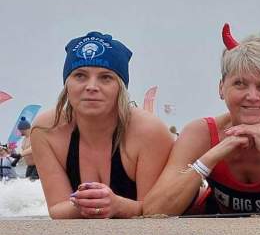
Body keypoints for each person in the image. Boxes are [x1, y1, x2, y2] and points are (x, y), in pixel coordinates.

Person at [143, 25, 260, 216]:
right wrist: (212, 156)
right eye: (240, 84)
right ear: (221, 88)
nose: (252, 96)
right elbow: (154, 210)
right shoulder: (201, 133)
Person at [29, 31, 173, 218]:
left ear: (120, 88)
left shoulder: (148, 131)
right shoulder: (46, 129)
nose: (91, 86)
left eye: (106, 77)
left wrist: (117, 205)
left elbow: (154, 210)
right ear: (67, 84)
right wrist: (90, 204)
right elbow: (57, 209)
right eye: (80, 76)